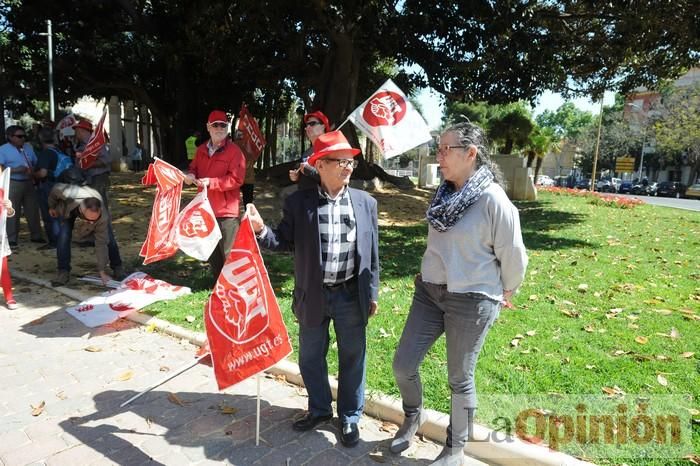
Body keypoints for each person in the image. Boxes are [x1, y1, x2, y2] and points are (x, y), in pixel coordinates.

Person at [391, 122, 527, 465]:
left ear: (470, 154)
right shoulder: (444, 193)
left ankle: (455, 449)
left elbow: (513, 254)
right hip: (430, 293)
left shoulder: (493, 200)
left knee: (459, 378)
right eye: (438, 149)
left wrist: (507, 289)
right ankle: (413, 415)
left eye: (445, 150)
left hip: (472, 299)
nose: (439, 156)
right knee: (403, 365)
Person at [246, 130, 379, 448]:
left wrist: (371, 291)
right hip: (313, 293)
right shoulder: (298, 202)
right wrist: (261, 229)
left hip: (350, 294)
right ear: (320, 165)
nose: (348, 167)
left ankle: (349, 416)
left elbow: (373, 252)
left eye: (350, 162)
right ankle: (320, 410)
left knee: (352, 357)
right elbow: (282, 241)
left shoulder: (365, 203)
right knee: (310, 357)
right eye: (340, 161)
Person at [184, 110, 245, 279]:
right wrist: (190, 175)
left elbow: (236, 179)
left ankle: (233, 288)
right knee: (211, 250)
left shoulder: (235, 152)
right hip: (206, 209)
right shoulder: (201, 150)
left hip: (227, 212)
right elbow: (193, 168)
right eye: (215, 125)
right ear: (208, 127)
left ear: (227, 127)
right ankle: (219, 286)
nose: (219, 128)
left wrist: (211, 182)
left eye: (223, 125)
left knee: (230, 253)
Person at [47, 183, 124, 287]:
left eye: (95, 219)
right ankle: (63, 271)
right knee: (63, 237)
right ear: (82, 210)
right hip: (69, 209)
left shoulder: (102, 216)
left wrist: (102, 271)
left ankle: (117, 267)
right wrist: (52, 206)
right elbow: (55, 189)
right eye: (89, 219)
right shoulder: (66, 193)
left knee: (109, 238)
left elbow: (101, 244)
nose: (92, 223)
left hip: (90, 202)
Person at [0, 125, 45, 247]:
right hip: (12, 182)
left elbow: (35, 162)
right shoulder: (3, 150)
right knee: (12, 211)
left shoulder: (28, 147)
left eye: (24, 136)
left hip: (28, 182)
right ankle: (12, 238)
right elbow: (0, 168)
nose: (22, 139)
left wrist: (33, 170)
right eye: (19, 136)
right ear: (10, 137)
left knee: (33, 210)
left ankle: (36, 235)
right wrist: (15, 170)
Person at [35, 127, 71, 250]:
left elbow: (43, 173)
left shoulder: (46, 153)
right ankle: (63, 239)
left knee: (50, 215)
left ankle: (54, 242)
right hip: (63, 186)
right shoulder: (59, 151)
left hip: (49, 186)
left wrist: (32, 174)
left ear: (40, 139)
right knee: (60, 214)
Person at [73, 119, 112, 209]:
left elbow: (106, 160)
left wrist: (89, 164)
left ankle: (104, 222)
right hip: (89, 179)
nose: (75, 133)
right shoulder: (81, 145)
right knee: (93, 207)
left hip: (98, 178)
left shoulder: (96, 144)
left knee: (99, 206)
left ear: (82, 131)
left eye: (77, 131)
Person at [288, 110, 330, 190]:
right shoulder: (307, 153)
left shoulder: (331, 151)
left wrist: (310, 171)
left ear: (323, 126)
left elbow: (333, 179)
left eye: (312, 124)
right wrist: (296, 176)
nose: (307, 127)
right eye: (307, 125)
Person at [1, 198, 18, 309]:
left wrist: (9, 208)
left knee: (3, 269)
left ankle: (9, 296)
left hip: (0, 237)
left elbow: (10, 213)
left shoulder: (1, 190)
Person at [233, 130, 256, 207]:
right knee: (248, 203)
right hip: (248, 178)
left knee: (233, 201)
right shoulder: (249, 146)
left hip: (235, 178)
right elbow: (253, 160)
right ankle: (248, 217)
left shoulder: (232, 146)